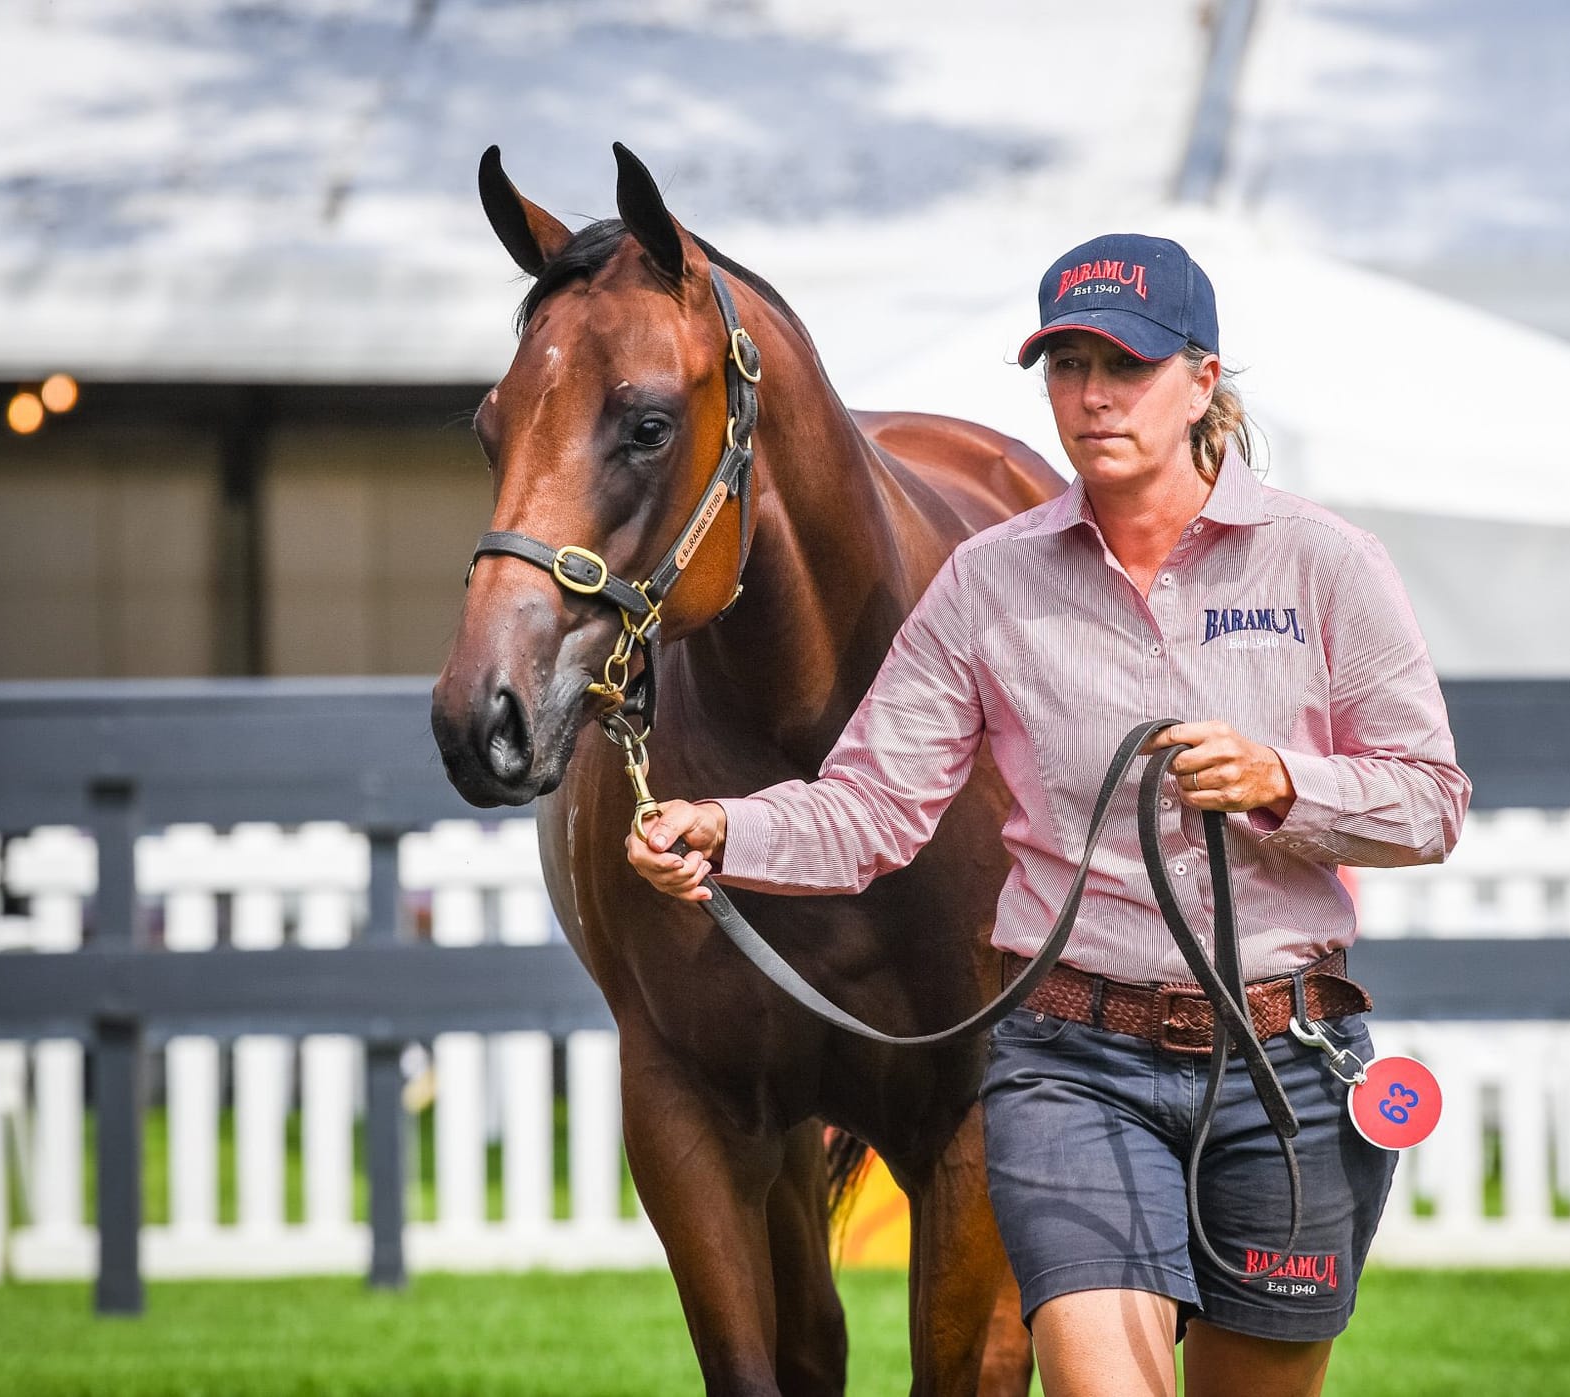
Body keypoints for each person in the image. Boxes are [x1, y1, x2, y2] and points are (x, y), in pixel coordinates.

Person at [628, 233, 1470, 1397]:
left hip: (1285, 1059)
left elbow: (1428, 803)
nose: (1089, 397)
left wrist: (1283, 782)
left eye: (1122, 366)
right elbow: (872, 806)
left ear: (1201, 380)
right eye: (1064, 366)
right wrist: (729, 832)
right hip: (1074, 1063)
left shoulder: (1324, 563)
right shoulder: (987, 578)